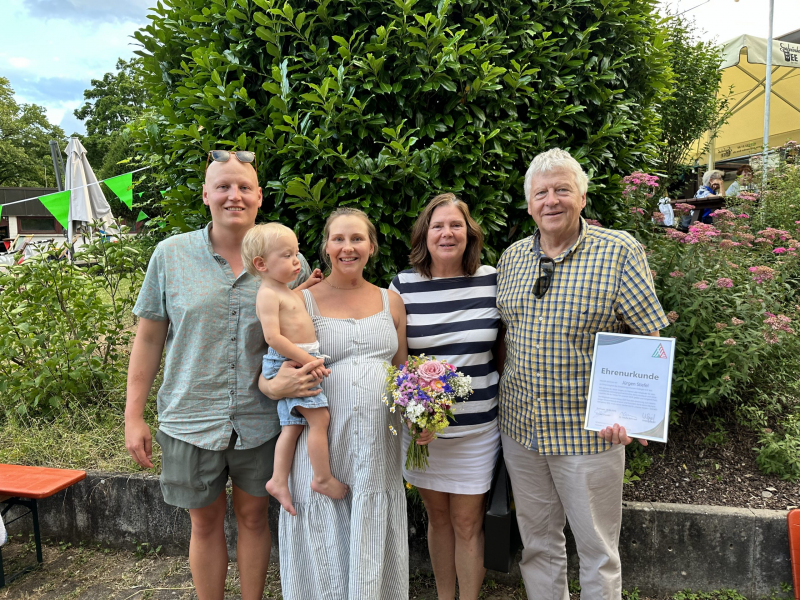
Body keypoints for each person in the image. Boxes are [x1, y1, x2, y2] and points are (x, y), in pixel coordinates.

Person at [124, 150, 324, 600]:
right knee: (204, 522)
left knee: (254, 517)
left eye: (244, 187)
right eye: (223, 186)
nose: (234, 195)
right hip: (190, 418)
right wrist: (133, 415)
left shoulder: (285, 259)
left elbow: (303, 334)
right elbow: (149, 339)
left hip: (261, 419)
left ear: (259, 197)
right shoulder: (170, 255)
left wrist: (288, 382)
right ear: (206, 195)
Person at [496, 148, 669, 600]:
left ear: (582, 197)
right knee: (538, 546)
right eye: (541, 193)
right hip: (521, 430)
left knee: (597, 552)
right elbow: (506, 336)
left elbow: (647, 337)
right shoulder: (512, 258)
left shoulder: (618, 251)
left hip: (589, 433)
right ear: (529, 204)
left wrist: (634, 414)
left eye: (562, 190)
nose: (551, 200)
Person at [260, 207, 409, 600]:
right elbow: (268, 366)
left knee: (371, 520)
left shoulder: (391, 302)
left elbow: (403, 372)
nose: (348, 247)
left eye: (357, 238)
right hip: (323, 444)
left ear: (372, 247)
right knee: (324, 527)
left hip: (378, 445)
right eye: (338, 239)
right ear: (325, 247)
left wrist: (422, 414)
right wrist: (272, 388)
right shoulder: (298, 300)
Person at [389, 193, 501, 600]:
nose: (447, 233)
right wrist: (413, 414)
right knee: (438, 520)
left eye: (456, 225)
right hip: (425, 435)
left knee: (468, 523)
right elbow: (397, 360)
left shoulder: (492, 279)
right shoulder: (403, 286)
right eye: (438, 226)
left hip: (478, 431)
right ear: (425, 234)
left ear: (469, 234)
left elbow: (505, 347)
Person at [240, 223, 348, 517]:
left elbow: (292, 301)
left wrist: (307, 284)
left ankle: (277, 480)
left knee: (292, 425)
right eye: (287, 256)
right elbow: (273, 338)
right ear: (261, 264)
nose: (296, 261)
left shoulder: (281, 289)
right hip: (292, 361)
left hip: (297, 359)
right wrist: (309, 361)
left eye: (296, 253)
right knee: (320, 418)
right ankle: (322, 478)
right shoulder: (266, 294)